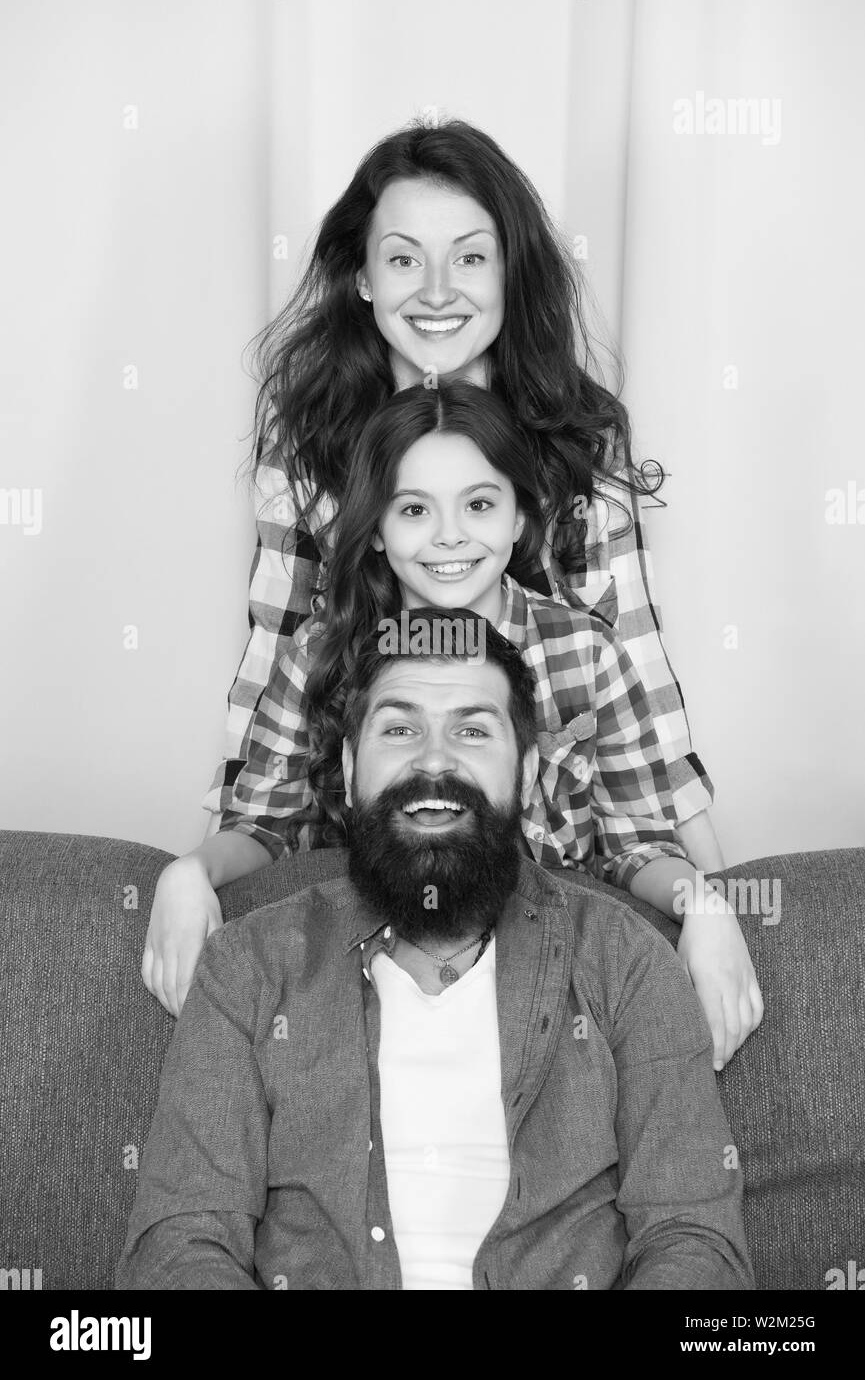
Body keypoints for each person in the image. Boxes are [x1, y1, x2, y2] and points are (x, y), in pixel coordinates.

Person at [143, 117, 723, 1006]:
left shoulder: (576, 447)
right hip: (374, 856)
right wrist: (202, 867)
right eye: (406, 258)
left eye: (471, 257)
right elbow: (276, 659)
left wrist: (710, 898)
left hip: (548, 847)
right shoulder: (308, 454)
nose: (438, 290)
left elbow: (632, 663)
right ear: (364, 279)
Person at [117, 609, 754, 1292]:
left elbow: (693, 1241)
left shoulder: (621, 959)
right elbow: (179, 1246)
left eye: (472, 730)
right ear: (351, 764)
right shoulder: (249, 965)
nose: (433, 759)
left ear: (527, 768)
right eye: (399, 729)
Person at [151, 383, 762, 1070]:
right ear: (376, 527)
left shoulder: (587, 653)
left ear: (518, 519)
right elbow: (263, 828)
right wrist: (188, 872)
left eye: (478, 504)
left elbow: (634, 846)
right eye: (414, 509)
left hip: (546, 992)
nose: (449, 535)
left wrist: (703, 903)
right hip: (375, 981)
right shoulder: (319, 656)